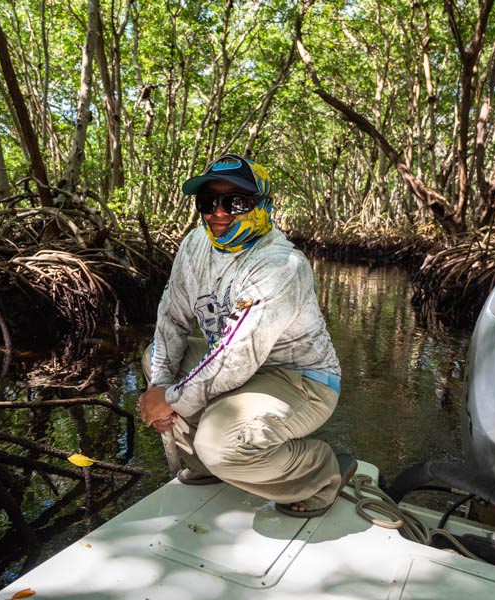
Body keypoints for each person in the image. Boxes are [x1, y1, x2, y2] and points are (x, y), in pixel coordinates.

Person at [137, 153, 356, 518]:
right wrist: (160, 385)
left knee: (219, 442)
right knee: (154, 358)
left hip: (301, 381)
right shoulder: (195, 245)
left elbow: (235, 358)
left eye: (236, 202)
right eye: (208, 202)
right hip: (240, 367)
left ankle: (320, 473)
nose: (219, 213)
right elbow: (172, 320)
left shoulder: (281, 265)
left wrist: (170, 400)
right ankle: (206, 467)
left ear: (263, 205)